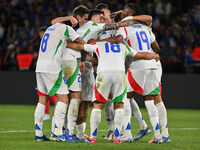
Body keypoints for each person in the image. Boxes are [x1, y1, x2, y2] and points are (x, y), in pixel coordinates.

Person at [66, 41, 159, 143]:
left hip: (103, 73)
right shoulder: (123, 46)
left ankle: (93, 137)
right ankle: (117, 137)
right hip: (119, 73)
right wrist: (154, 56)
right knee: (119, 104)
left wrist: (64, 43)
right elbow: (140, 54)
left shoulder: (99, 45)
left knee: (98, 104)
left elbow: (79, 46)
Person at [96, 4, 152, 142]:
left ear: (109, 13)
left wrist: (119, 16)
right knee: (122, 98)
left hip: (122, 63)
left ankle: (122, 131)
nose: (102, 18)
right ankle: (139, 125)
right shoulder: (98, 29)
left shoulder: (120, 24)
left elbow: (147, 18)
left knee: (122, 98)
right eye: (100, 16)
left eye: (104, 14)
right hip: (107, 65)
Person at [34, 22, 82, 142]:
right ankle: (57, 133)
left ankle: (38, 133)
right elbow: (80, 41)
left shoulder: (50, 29)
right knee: (63, 98)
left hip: (39, 67)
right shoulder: (66, 28)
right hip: (52, 67)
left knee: (42, 99)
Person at [38, 26, 56, 121]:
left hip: (45, 70)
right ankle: (47, 115)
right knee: (44, 95)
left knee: (50, 96)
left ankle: (51, 117)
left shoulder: (48, 42)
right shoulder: (46, 43)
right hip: (46, 70)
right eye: (41, 36)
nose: (42, 37)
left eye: (43, 35)